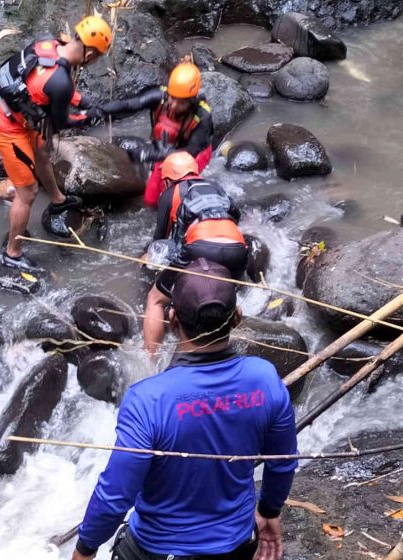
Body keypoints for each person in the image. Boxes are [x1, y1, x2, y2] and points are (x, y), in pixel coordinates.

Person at [73, 258, 298, 560]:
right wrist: (269, 511)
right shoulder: (266, 379)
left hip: (158, 551)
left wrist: (85, 549)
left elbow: (116, 495)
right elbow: (282, 462)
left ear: (173, 319)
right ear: (238, 318)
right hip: (237, 544)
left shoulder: (147, 400)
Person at [0, 16, 111, 272]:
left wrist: (82, 99)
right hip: (7, 126)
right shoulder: (61, 79)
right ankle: (12, 253)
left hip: (25, 115)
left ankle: (57, 200)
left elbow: (48, 86)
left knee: (43, 152)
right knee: (28, 192)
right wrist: (87, 114)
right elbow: (63, 120)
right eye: (97, 56)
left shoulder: (50, 45)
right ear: (89, 52)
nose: (96, 61)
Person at [143, 151, 247, 354]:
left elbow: (161, 242)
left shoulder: (170, 193)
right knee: (224, 300)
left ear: (166, 180)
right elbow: (234, 216)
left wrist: (148, 258)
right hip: (237, 248)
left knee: (154, 300)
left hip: (200, 245)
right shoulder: (217, 187)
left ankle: (150, 360)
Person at [98, 61, 213, 207]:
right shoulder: (160, 95)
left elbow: (191, 152)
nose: (174, 106)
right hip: (166, 147)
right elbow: (129, 104)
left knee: (176, 195)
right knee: (151, 199)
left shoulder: (202, 115)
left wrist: (149, 154)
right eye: (172, 98)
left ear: (192, 101)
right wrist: (98, 110)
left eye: (182, 103)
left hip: (195, 153)